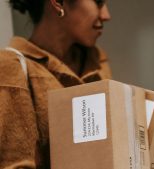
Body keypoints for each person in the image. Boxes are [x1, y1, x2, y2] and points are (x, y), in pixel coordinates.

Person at [0, 0, 112, 168]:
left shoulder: (97, 62)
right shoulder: (12, 68)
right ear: (58, 3)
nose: (106, 15)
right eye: (98, 2)